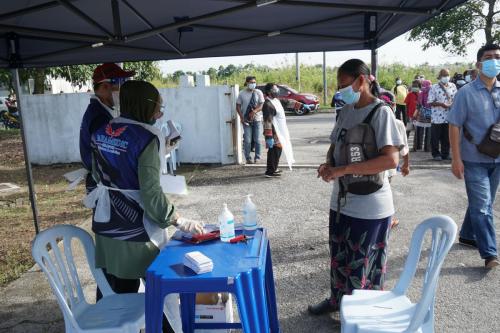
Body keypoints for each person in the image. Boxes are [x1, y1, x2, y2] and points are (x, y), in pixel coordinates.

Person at [86, 80, 205, 331]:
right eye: (157, 107)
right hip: (136, 229)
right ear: (144, 105)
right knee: (159, 291)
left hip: (107, 223)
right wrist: (177, 219)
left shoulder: (101, 130)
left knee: (116, 290)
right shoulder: (148, 137)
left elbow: (95, 175)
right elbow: (151, 193)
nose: (160, 113)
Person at [308, 59, 403, 315]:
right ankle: (337, 301)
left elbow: (390, 160)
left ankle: (361, 314)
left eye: (344, 85)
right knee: (339, 258)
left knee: (363, 264)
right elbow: (337, 146)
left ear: (362, 81)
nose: (341, 91)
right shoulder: (346, 111)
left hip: (370, 205)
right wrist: (328, 166)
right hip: (342, 201)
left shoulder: (380, 113)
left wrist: (343, 170)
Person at [448, 43, 500, 269]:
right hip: (473, 159)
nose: (494, 61)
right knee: (482, 206)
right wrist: (455, 159)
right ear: (479, 64)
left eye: (498, 57)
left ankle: (468, 234)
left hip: (497, 159)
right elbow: (454, 126)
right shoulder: (465, 93)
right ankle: (490, 253)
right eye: (489, 57)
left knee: (485, 203)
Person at [79, 63, 134, 193]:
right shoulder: (99, 117)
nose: (123, 90)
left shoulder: (98, 111)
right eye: (120, 85)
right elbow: (111, 154)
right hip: (102, 184)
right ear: (105, 86)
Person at [262, 83, 295, 177]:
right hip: (273, 131)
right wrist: (269, 136)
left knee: (278, 149)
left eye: (277, 89)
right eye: (274, 90)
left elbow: (287, 102)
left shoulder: (276, 100)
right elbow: (267, 121)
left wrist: (301, 106)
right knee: (274, 150)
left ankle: (273, 168)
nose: (277, 91)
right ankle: (270, 171)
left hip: (280, 130)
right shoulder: (268, 104)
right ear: (269, 92)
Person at [427, 69, 457, 161]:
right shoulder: (434, 87)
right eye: (444, 75)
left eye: (447, 75)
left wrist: (452, 104)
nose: (446, 77)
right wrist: (441, 104)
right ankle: (436, 154)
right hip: (437, 117)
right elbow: (430, 102)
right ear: (440, 77)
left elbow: (456, 98)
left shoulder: (453, 86)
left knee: (447, 136)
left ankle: (445, 154)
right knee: (435, 137)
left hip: (449, 116)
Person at [236, 76, 265, 164]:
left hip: (257, 119)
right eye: (251, 82)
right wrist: (241, 117)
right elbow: (238, 106)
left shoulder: (258, 92)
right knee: (247, 140)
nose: (253, 84)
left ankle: (257, 157)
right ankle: (248, 158)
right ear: (247, 83)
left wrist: (255, 111)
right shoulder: (242, 93)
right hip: (246, 120)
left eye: (254, 82)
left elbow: (261, 104)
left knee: (257, 139)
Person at [414, 80, 432, 152]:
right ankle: (427, 147)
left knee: (419, 131)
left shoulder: (421, 94)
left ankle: (418, 146)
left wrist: (414, 114)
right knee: (429, 132)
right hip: (430, 115)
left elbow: (418, 105)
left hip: (421, 115)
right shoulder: (432, 93)